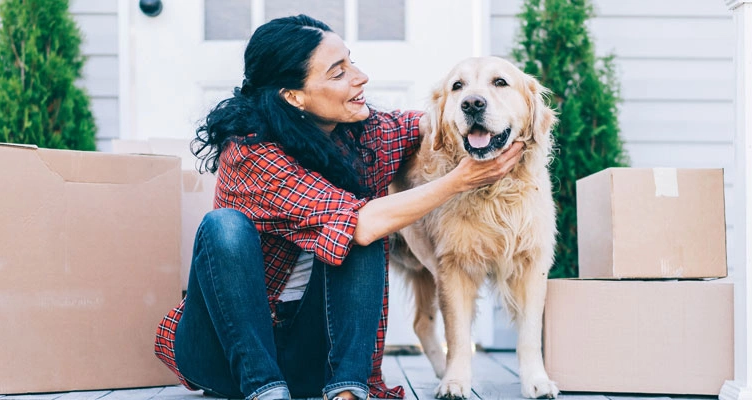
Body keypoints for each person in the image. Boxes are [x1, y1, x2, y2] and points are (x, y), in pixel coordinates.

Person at [152, 15, 525, 400]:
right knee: (224, 227)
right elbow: (359, 223)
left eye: (352, 61)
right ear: (294, 96)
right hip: (222, 353)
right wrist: (458, 181)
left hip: (308, 354)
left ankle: (347, 390)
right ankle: (264, 390)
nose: (360, 77)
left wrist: (491, 116)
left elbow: (429, 123)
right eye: (338, 73)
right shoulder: (250, 154)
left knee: (362, 230)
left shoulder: (362, 134)